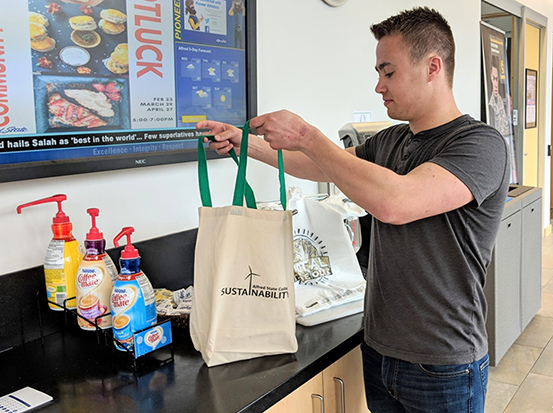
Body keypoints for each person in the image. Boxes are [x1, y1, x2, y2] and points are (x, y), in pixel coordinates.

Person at [198, 6, 509, 413]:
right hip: (379, 351)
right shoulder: (391, 140)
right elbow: (319, 165)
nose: (379, 86)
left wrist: (308, 135)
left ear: (433, 67)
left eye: (389, 71)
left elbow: (396, 203)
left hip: (444, 364)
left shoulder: (480, 145)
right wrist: (244, 143)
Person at [488, 55, 512, 138]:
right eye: (493, 79)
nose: (496, 85)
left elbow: (505, 127)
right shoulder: (489, 104)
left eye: (497, 79)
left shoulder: (500, 101)